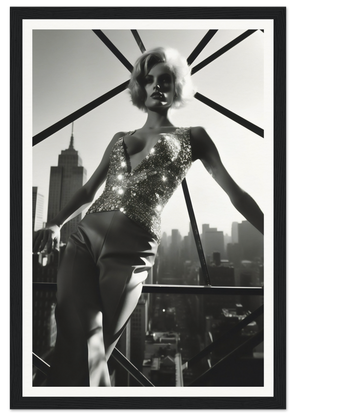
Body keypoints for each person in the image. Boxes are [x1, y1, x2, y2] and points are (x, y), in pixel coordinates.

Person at [33, 47, 264, 386]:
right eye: (148, 79)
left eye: (165, 79)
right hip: (83, 239)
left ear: (178, 86)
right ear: (139, 87)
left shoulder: (193, 136)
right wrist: (55, 223)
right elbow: (88, 192)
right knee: (73, 338)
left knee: (92, 348)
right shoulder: (119, 139)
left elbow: (235, 193)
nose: (157, 85)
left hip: (133, 245)